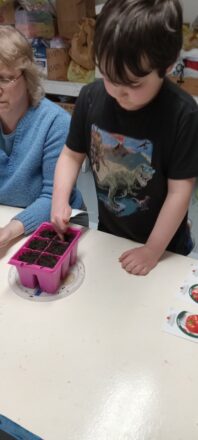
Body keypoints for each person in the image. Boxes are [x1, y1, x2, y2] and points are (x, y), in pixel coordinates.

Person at [51, 0, 198, 276]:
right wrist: (60, 200)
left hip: (165, 248)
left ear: (167, 64)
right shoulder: (91, 97)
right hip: (111, 236)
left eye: (132, 84)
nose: (118, 91)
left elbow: (180, 191)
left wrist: (153, 250)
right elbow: (71, 155)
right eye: (108, 76)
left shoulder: (183, 114)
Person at [0, 25, 88, 249]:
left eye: (4, 78)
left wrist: (9, 231)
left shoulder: (54, 123)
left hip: (55, 223)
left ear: (27, 76)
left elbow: (52, 197)